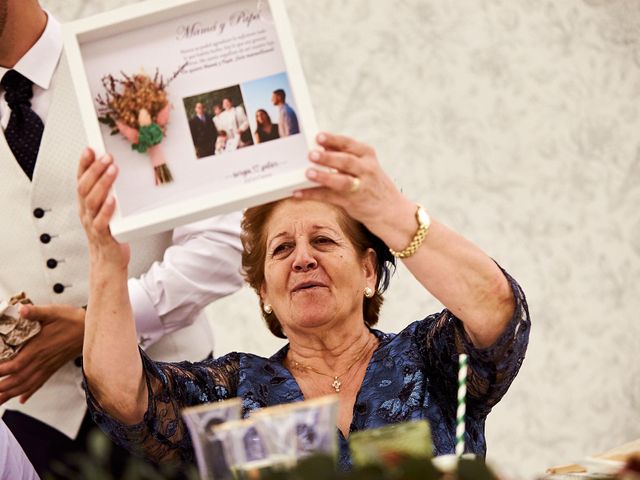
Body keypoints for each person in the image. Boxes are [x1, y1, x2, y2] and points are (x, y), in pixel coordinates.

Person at [78, 131, 530, 470]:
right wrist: (105, 263)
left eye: (323, 240)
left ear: (368, 271)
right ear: (263, 291)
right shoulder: (237, 389)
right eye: (281, 249)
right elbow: (122, 396)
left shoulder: (427, 359)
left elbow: (494, 308)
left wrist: (389, 210)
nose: (303, 259)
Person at [0, 1, 244, 476]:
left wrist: (103, 322)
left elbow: (224, 241)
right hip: (36, 425)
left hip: (171, 394)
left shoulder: (139, 66)